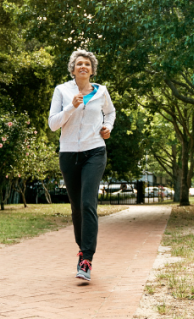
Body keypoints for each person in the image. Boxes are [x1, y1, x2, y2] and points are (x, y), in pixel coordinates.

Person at [48, 49, 115, 282]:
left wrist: (108, 127)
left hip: (95, 151)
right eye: (79, 64)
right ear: (73, 69)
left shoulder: (101, 92)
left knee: (88, 203)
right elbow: (53, 124)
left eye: (87, 64)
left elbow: (110, 112)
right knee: (76, 207)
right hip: (68, 154)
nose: (83, 67)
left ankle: (86, 259)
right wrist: (71, 107)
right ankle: (82, 249)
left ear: (92, 70)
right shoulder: (62, 91)